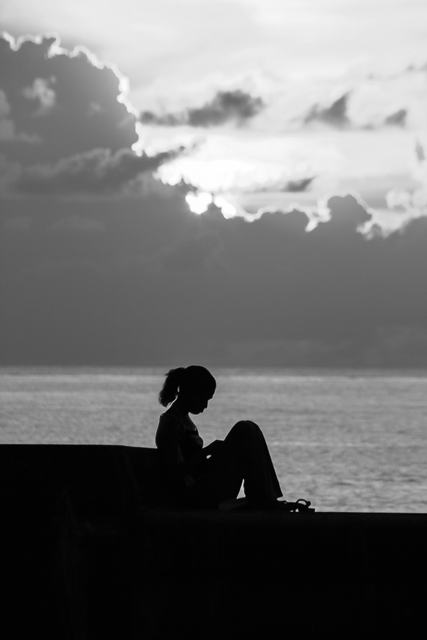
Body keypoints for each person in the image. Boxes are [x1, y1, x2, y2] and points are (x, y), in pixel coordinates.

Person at [155, 365, 302, 511]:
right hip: (192, 497)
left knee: (251, 429)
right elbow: (173, 474)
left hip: (203, 489)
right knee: (243, 429)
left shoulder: (184, 420)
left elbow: (196, 468)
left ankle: (265, 497)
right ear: (190, 392)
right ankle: (263, 499)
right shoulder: (171, 423)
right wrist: (208, 451)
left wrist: (217, 457)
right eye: (203, 399)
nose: (206, 406)